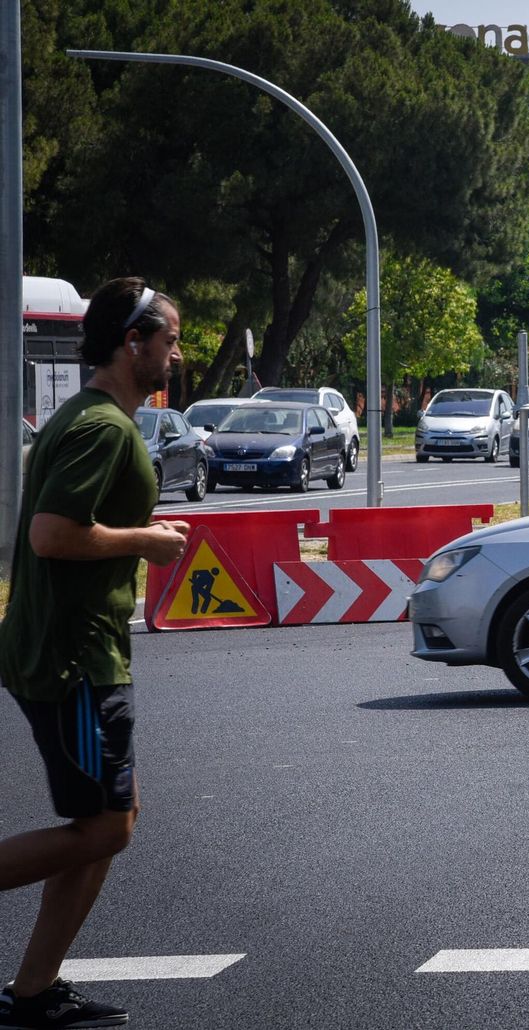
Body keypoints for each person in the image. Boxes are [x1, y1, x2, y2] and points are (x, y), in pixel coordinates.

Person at [0, 278, 190, 1030]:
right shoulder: (103, 428)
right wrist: (148, 540)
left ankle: (34, 992)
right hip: (74, 658)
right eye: (169, 338)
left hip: (84, 650)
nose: (177, 352)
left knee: (108, 820)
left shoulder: (93, 418)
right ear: (131, 341)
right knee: (107, 827)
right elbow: (50, 535)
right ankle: (32, 992)